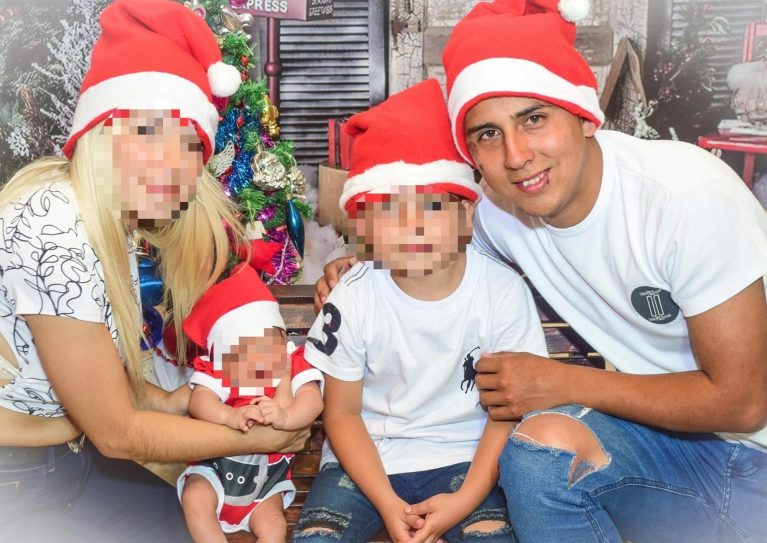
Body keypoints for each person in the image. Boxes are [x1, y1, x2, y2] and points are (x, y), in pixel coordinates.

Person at [316, 1, 767, 541]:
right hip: (656, 444)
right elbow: (420, 241)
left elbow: (744, 403)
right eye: (487, 133)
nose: (516, 155)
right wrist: (357, 263)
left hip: (754, 458)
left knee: (539, 436)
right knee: (539, 452)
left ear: (584, 115)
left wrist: (563, 381)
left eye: (533, 119)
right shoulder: (500, 210)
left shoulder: (686, 198)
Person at [0, 1, 308, 542]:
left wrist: (187, 399)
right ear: (104, 131)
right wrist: (258, 441)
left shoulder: (107, 219)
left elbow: (103, 378)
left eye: (193, 148)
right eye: (153, 137)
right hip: (19, 479)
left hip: (67, 458)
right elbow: (118, 432)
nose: (180, 167)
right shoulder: (54, 225)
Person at [294, 79, 547, 543]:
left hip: (466, 462)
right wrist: (388, 503)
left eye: (431, 207)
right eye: (390, 211)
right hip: (364, 463)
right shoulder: (354, 295)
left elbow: (506, 414)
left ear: (465, 215)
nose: (411, 227)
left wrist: (464, 501)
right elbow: (343, 415)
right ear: (366, 228)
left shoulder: (501, 292)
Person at [178, 262, 323, 543]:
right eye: (246, 354)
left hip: (266, 483)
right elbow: (199, 402)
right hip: (215, 470)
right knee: (195, 498)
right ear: (226, 355)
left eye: (271, 347)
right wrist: (229, 416)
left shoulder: (291, 362)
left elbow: (313, 400)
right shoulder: (218, 369)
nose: (261, 362)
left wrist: (286, 417)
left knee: (274, 524)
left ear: (283, 340)